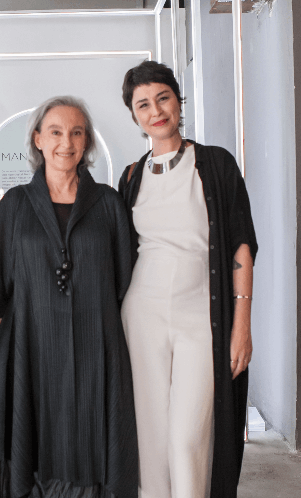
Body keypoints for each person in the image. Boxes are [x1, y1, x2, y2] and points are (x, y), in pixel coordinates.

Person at [0, 96, 138, 498]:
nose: (67, 142)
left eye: (77, 133)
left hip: (97, 346)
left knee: (93, 436)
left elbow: (124, 279)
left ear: (87, 142)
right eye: (56, 132)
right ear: (38, 140)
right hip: (31, 343)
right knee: (32, 437)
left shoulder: (109, 204)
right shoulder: (14, 204)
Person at [118, 60, 258, 498]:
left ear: (179, 101)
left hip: (202, 316)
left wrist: (241, 324)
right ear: (134, 116)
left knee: (188, 438)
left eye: (162, 98)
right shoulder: (131, 176)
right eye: (143, 104)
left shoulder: (215, 164)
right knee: (151, 438)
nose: (156, 111)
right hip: (141, 315)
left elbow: (241, 245)